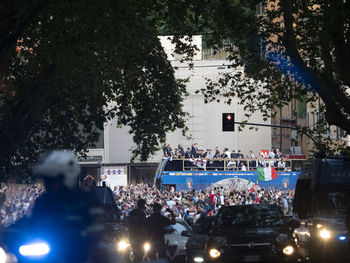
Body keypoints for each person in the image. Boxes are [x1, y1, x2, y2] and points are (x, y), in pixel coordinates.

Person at [8, 151, 107, 262]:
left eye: (54, 180)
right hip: (48, 251)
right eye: (47, 180)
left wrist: (86, 242)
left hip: (79, 252)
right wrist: (11, 232)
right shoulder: (43, 202)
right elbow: (29, 222)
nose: (49, 183)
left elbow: (96, 228)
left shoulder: (86, 199)